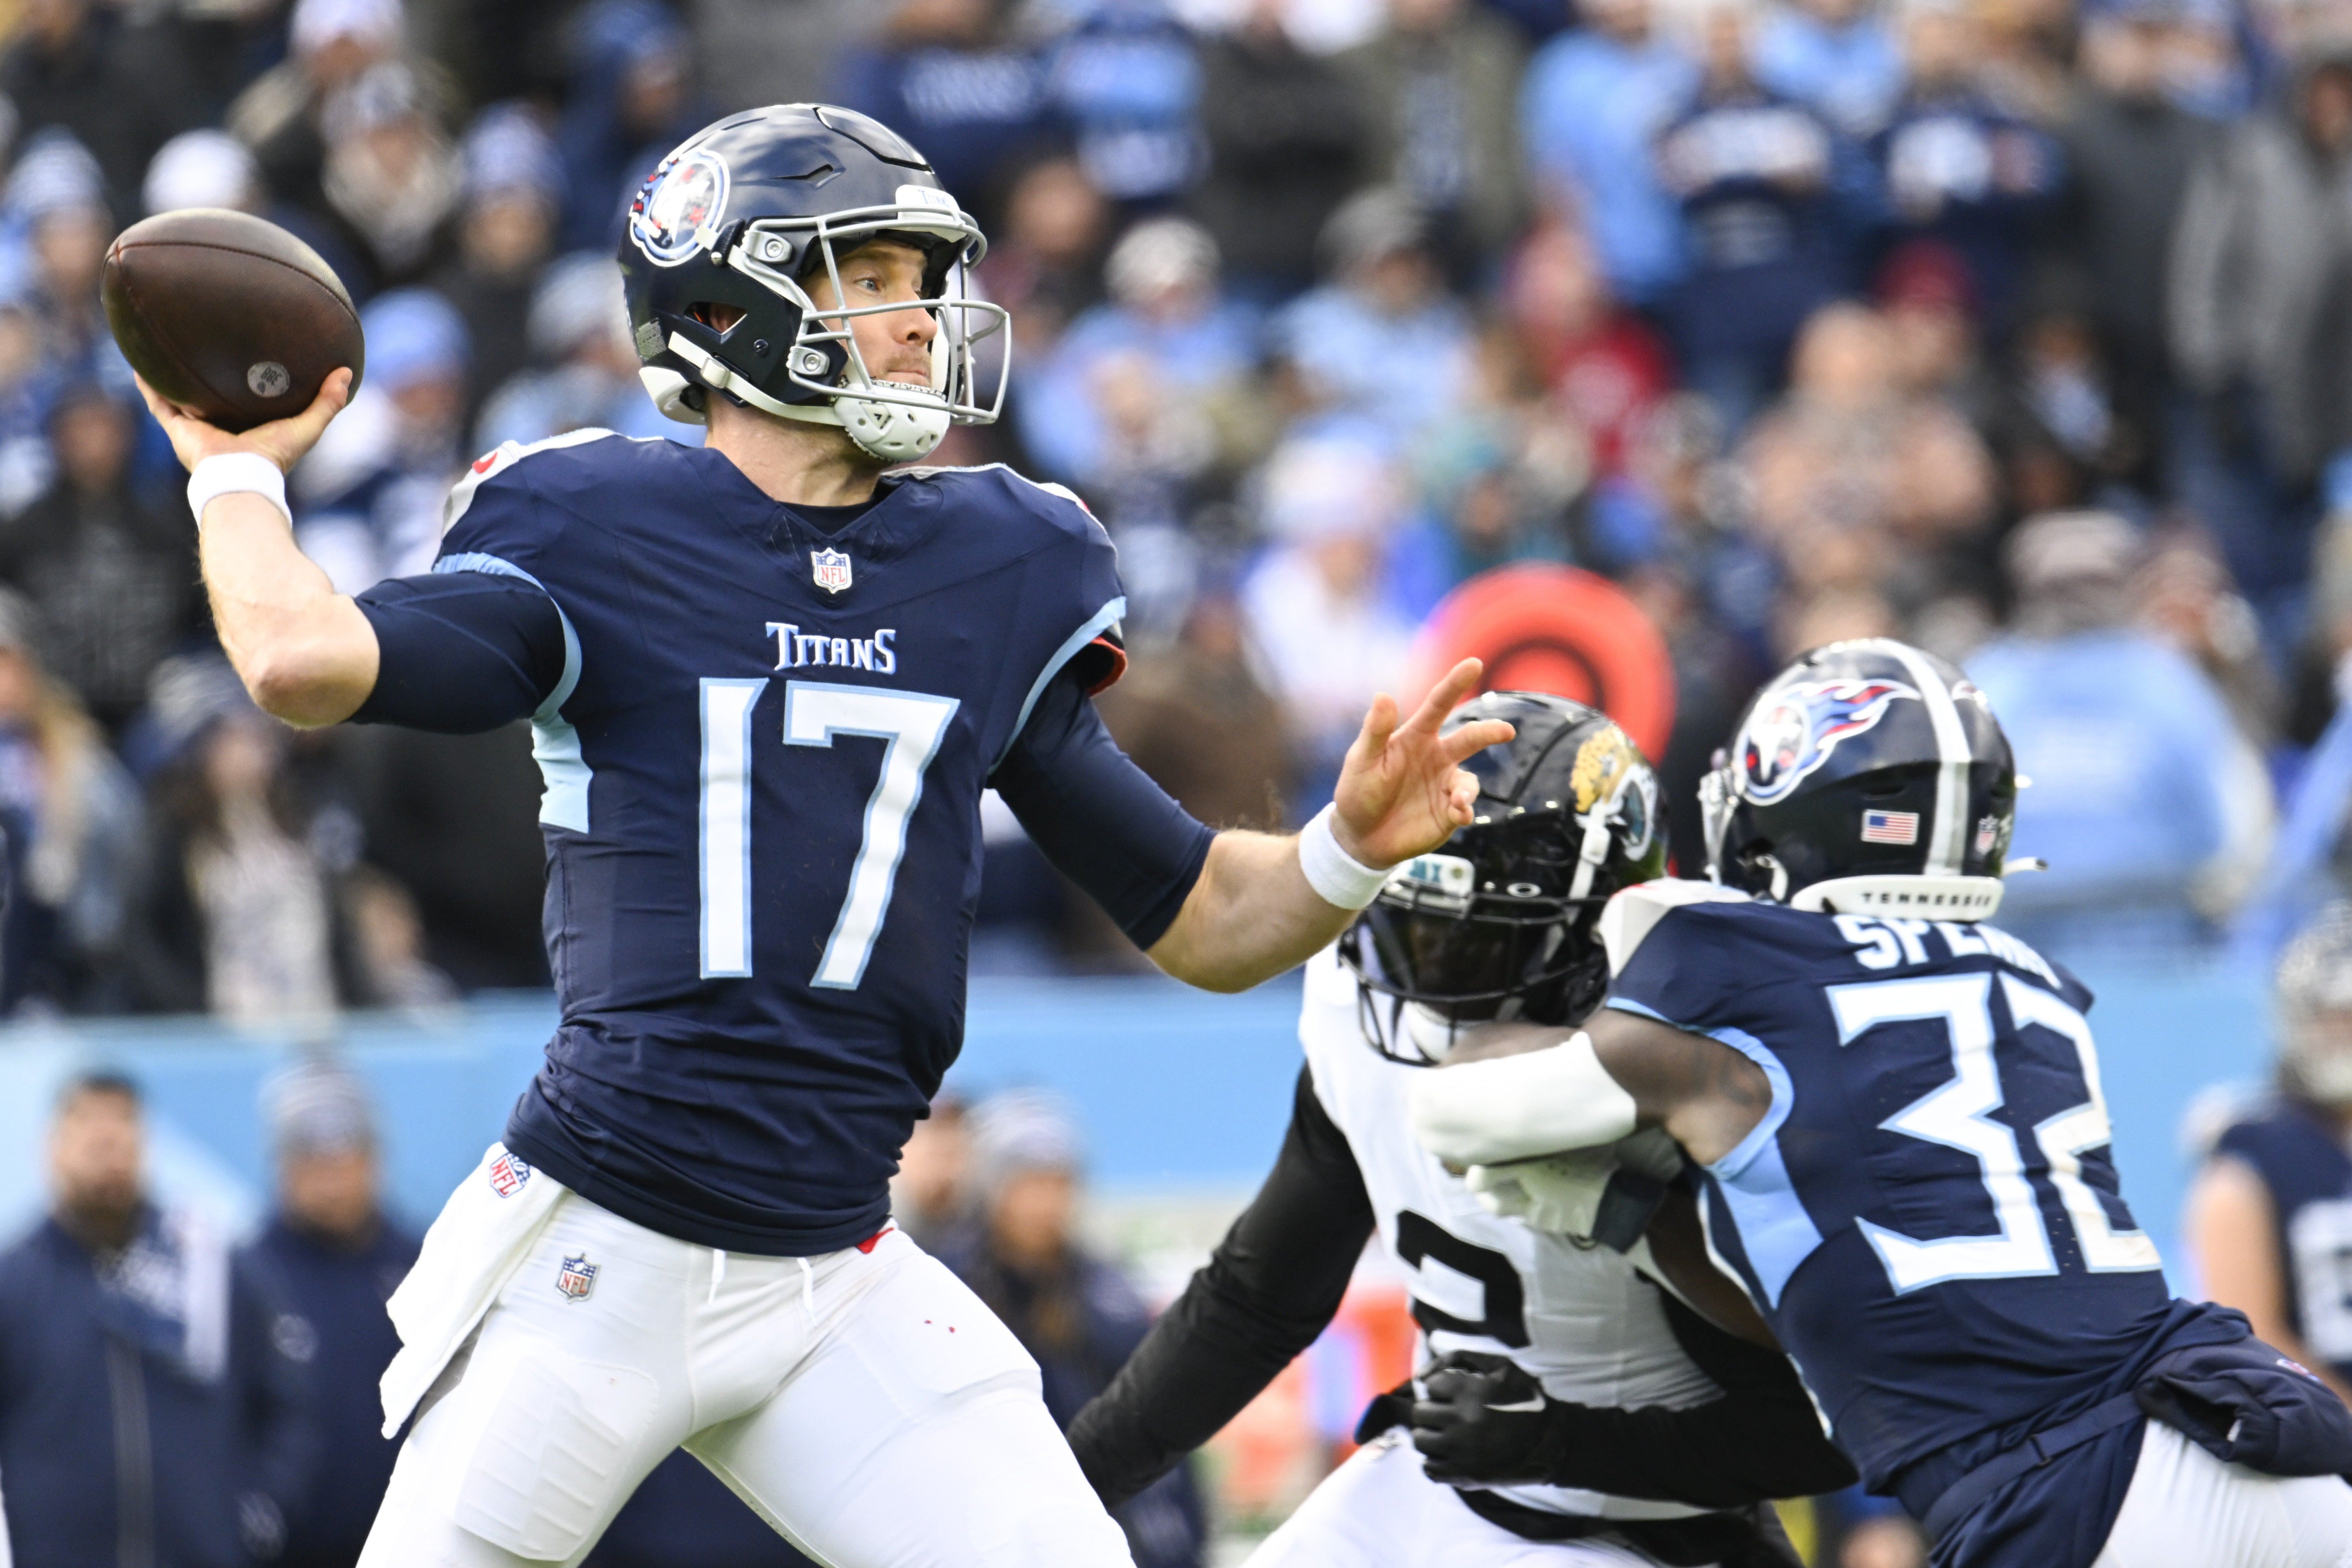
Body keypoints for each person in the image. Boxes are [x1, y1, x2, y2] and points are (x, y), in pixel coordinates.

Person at [139, 102, 1513, 1568]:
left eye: (926, 276)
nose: (921, 317)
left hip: (832, 1267)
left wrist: (1345, 846)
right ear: (725, 301)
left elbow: (1202, 916)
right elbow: (301, 662)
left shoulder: (995, 562)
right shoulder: (598, 526)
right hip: (605, 1243)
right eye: (871, 272)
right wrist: (232, 469)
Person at [1409, 639, 2352, 1567]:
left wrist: (1589, 1171)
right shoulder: (2031, 980)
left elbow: (1458, 1108)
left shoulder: (1736, 964)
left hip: (2068, 1493)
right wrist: (1632, 1210)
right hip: (2270, 1432)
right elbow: (1837, 1272)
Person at [1070, 694, 1856, 1567]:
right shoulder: (1351, 1003)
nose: (1423, 988)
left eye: (1468, 949)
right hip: (1439, 1481)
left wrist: (1556, 1440)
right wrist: (1063, 1494)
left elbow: (1822, 1428)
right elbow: (1258, 1299)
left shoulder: (1700, 1070)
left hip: (1652, 1524)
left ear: (1601, 931)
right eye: (1402, 933)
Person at [0, 1071, 311, 1568]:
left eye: (122, 1123)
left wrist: (261, 1510)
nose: (107, 1142)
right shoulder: (15, 1283)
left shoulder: (210, 1267)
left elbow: (289, 1400)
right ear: (51, 1147)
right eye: (87, 1125)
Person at [941, 1092, 1207, 1568]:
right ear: (992, 1187)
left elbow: (1162, 1435)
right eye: (1029, 1183)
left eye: (1058, 1183)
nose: (1045, 1203)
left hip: (1096, 1522)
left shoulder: (1109, 1299)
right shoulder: (946, 1286)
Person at [240, 1057, 423, 1568]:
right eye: (312, 1156)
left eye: (346, 1153)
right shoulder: (247, 1277)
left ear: (374, 1155)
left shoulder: (425, 1267)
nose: (333, 1176)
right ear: (282, 1161)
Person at [2188, 906, 2352, 1406]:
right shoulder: (2253, 1156)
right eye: (2331, 1017)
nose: (2342, 1032)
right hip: (2323, 1444)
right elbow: (2250, 1337)